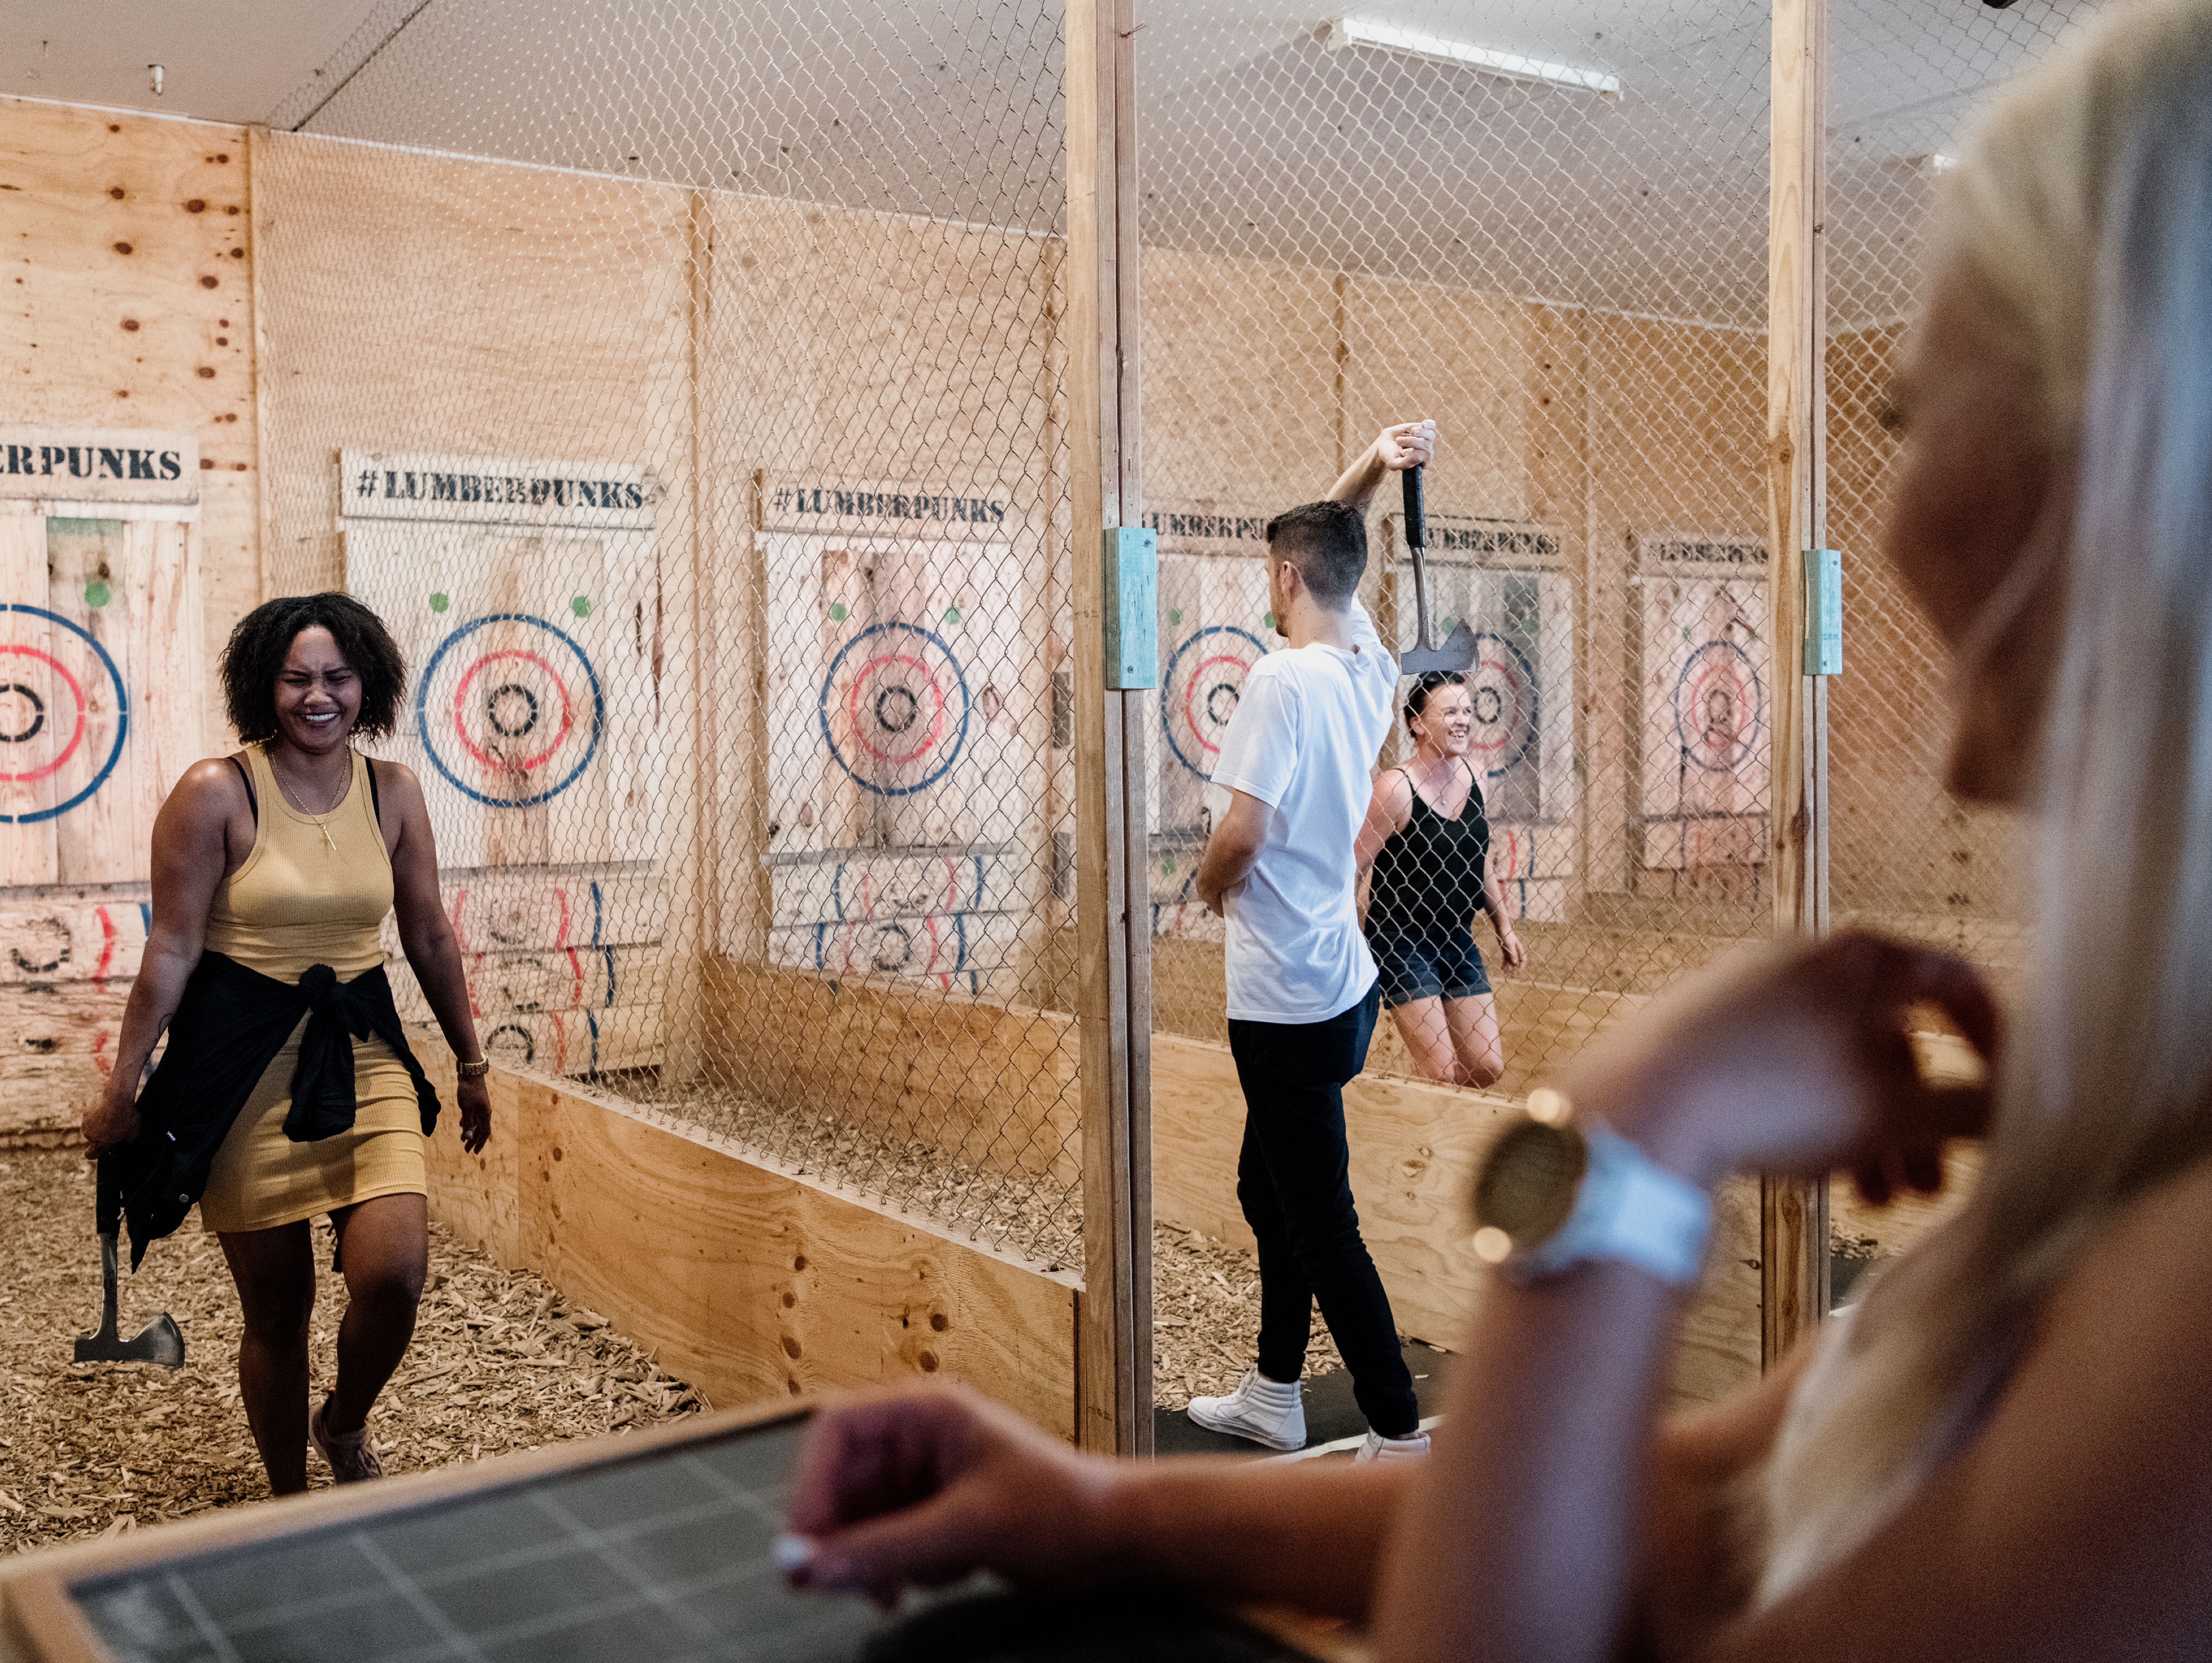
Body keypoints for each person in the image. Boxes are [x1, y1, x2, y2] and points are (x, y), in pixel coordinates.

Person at [775, 1, 2212, 1654]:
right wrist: (1096, 1513)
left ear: (2144, 451)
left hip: (1304, 979)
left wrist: (1631, 1128)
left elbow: (1531, 1610)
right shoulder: (2130, 1154)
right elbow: (1688, 1517)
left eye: (1926, 411)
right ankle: (1289, 1394)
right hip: (1337, 971)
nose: (1877, 526)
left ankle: (1367, 1402)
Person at [83, 593, 493, 1496]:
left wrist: (470, 1064)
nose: (318, 696)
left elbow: (428, 933)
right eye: (296, 677)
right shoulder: (215, 791)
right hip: (240, 1068)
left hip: (362, 1050)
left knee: (394, 1275)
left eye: (337, 677)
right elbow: (172, 948)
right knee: (277, 1309)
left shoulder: (394, 791)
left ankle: (341, 1421)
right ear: (262, 686)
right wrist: (122, 1087)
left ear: (367, 684)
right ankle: (287, 1500)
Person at [1183, 416, 1435, 1461]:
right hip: (1342, 988)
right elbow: (1336, 535)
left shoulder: (1279, 680)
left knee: (1319, 1218)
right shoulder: (1368, 662)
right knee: (1268, 1187)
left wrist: (1205, 889)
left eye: (1271, 573)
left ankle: (1396, 1429)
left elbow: (1240, 833)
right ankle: (1272, 1390)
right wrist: (1376, 462)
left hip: (1282, 997)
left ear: (1284, 577)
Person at [1357, 671, 1526, 1086]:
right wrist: (1349, 942)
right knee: (1441, 1071)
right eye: (1450, 712)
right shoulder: (1395, 788)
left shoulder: (1476, 775)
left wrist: (1503, 926)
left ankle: (1438, 1119)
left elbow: (1478, 858)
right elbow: (1354, 867)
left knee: (1486, 1066)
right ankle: (1422, 1124)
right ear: (1416, 724)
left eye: (1468, 711)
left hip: (1456, 935)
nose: (1463, 720)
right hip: (1401, 939)